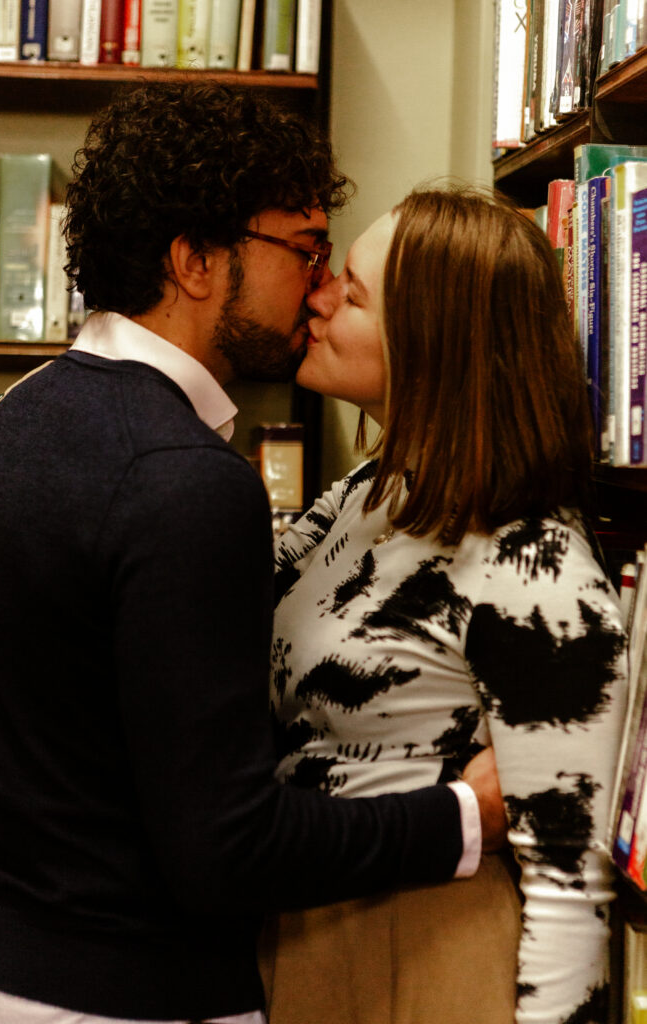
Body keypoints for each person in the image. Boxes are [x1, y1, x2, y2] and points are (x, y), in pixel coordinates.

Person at [0, 85, 505, 1024]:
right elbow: (226, 851)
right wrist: (466, 815)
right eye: (303, 250)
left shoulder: (23, 411)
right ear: (196, 261)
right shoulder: (181, 478)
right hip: (124, 993)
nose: (319, 286)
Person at [262, 187, 629, 1024]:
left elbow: (568, 885)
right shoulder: (364, 494)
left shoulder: (531, 564)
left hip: (434, 949)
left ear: (434, 346)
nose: (314, 298)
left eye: (350, 293)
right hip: (313, 930)